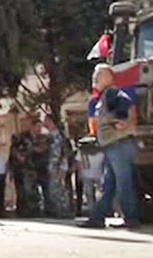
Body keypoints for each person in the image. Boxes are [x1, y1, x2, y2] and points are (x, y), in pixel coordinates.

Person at [78, 64, 139, 229]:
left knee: (122, 183)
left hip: (119, 144)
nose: (94, 78)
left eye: (98, 75)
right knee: (109, 184)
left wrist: (123, 123)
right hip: (114, 145)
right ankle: (98, 217)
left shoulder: (112, 93)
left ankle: (131, 218)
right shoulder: (107, 95)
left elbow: (127, 107)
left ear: (109, 77)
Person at [44, 116, 73, 219]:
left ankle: (65, 210)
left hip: (58, 166)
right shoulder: (48, 137)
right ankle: (57, 210)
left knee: (61, 189)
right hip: (51, 166)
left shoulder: (60, 137)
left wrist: (63, 168)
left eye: (47, 121)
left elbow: (65, 153)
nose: (45, 124)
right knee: (53, 189)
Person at [9, 114, 37, 217]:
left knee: (30, 189)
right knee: (21, 190)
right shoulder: (18, 137)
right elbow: (13, 151)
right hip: (20, 168)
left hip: (32, 167)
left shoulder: (36, 136)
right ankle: (22, 210)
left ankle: (33, 209)